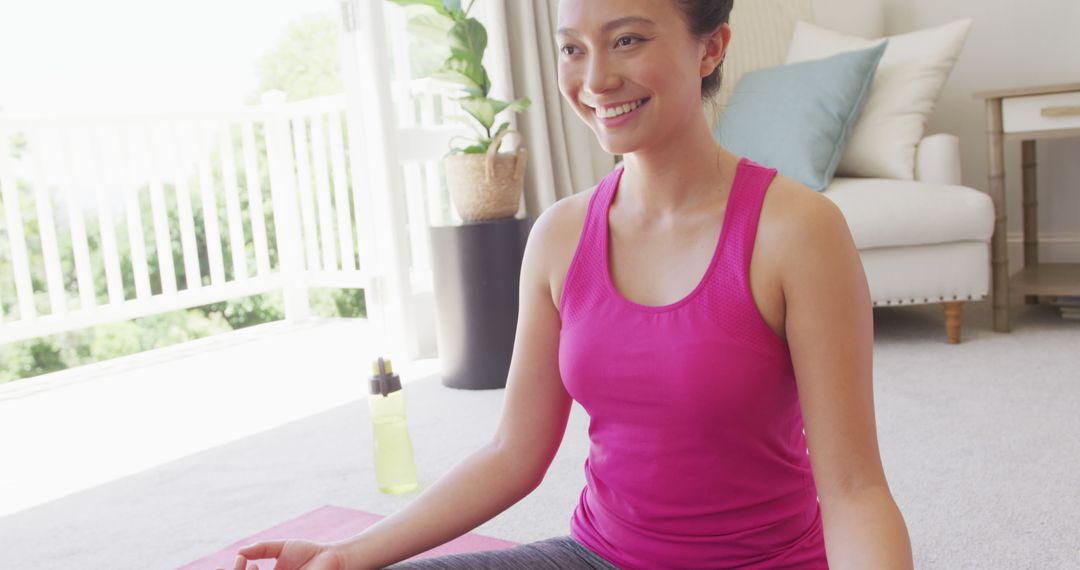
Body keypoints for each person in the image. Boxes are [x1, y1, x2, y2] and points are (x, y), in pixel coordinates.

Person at [226, 0, 914, 568]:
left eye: (627, 40)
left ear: (711, 49)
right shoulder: (558, 236)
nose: (596, 78)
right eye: (571, 49)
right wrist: (347, 556)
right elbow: (512, 452)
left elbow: (854, 490)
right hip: (595, 556)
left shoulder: (796, 231)